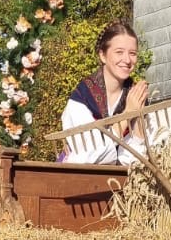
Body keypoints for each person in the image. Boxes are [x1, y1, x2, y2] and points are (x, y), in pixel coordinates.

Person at [61, 21, 150, 164]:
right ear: (102, 55)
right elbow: (90, 156)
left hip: (123, 177)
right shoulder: (82, 97)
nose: (127, 60)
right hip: (78, 176)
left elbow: (137, 157)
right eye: (119, 52)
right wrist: (127, 114)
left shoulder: (135, 96)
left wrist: (138, 116)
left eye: (132, 53)